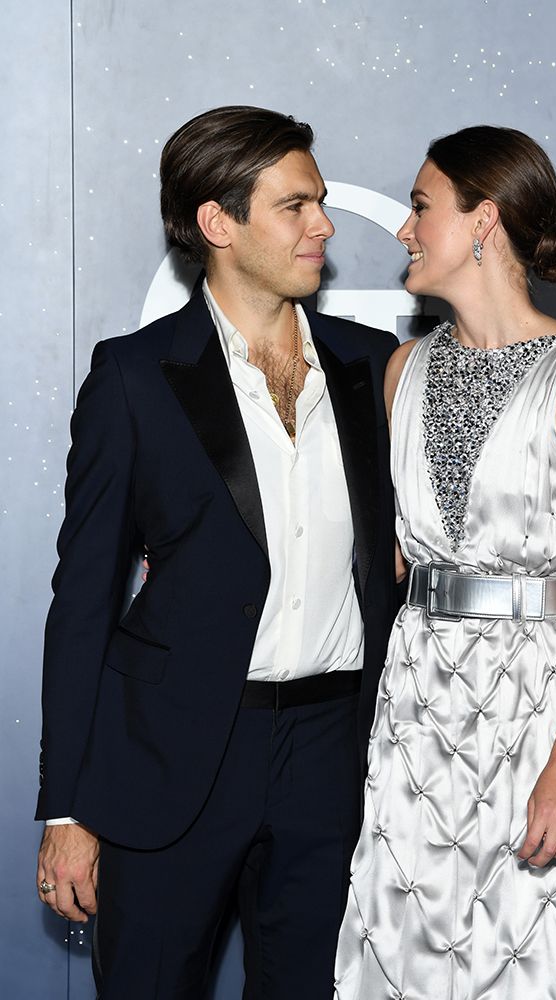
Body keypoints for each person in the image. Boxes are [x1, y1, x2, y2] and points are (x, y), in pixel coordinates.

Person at [35, 105, 398, 999]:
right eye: (295, 205)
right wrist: (68, 805)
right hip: (172, 755)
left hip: (330, 753)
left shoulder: (370, 364)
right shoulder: (133, 377)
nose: (325, 224)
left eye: (319, 202)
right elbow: (83, 599)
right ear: (217, 223)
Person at [334, 125, 556, 999]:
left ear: (482, 220)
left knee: (552, 959)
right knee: (414, 956)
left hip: (544, 707)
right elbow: (381, 554)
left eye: (418, 207)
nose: (403, 231)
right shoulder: (402, 369)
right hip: (420, 711)